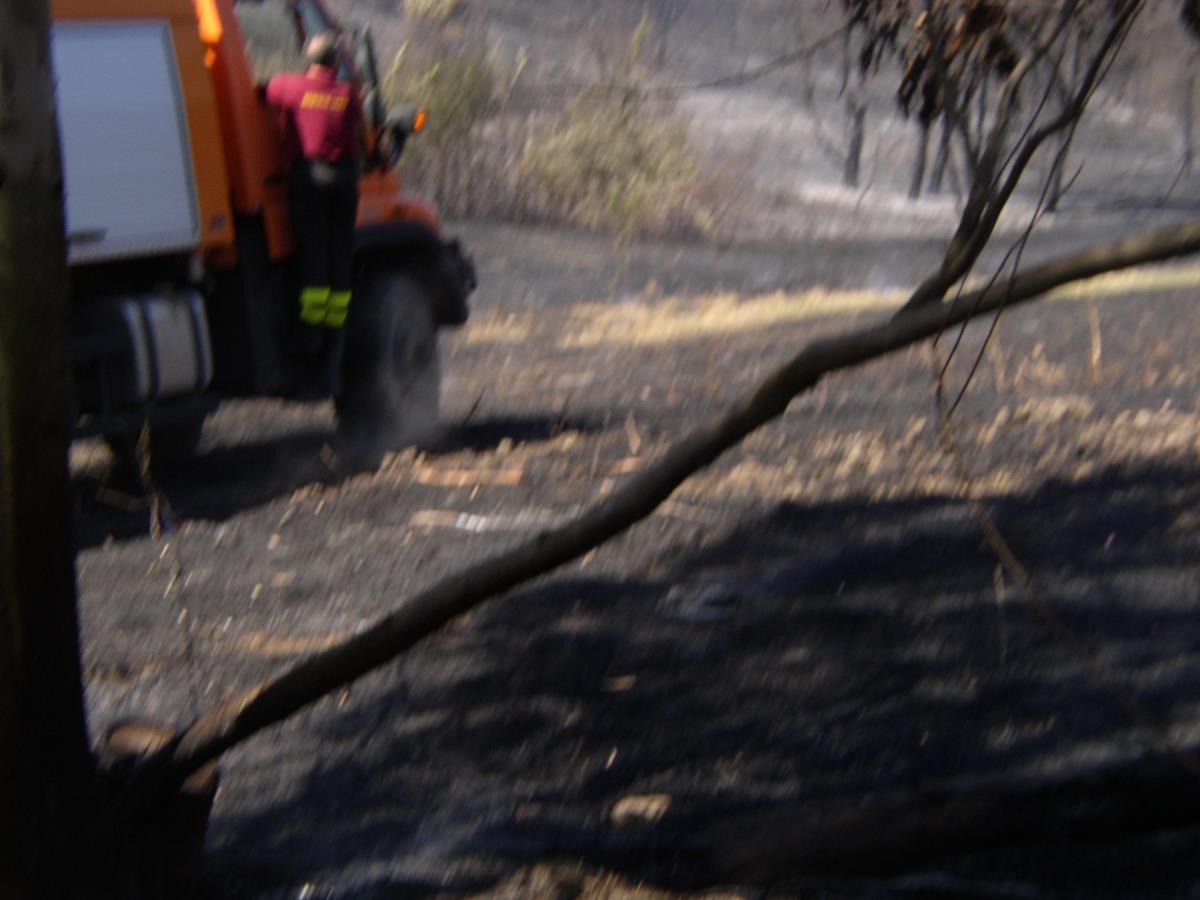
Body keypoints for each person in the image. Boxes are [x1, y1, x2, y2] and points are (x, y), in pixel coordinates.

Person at [266, 32, 363, 391]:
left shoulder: (290, 87)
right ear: (335, 61)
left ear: (309, 62)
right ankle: (334, 338)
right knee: (339, 255)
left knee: (312, 252)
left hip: (310, 178)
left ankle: (309, 334)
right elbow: (360, 131)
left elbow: (262, 92)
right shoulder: (348, 94)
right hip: (344, 181)